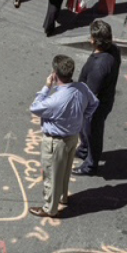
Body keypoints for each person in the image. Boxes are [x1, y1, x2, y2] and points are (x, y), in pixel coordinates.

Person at [28, 55, 98, 218]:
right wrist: (82, 117)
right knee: (65, 170)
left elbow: (35, 107)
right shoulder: (82, 88)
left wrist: (46, 87)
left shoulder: (55, 100)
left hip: (55, 142)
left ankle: (50, 208)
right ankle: (63, 197)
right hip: (72, 137)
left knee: (51, 175)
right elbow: (94, 103)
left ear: (54, 73)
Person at [73, 20, 121, 176]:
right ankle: (84, 149)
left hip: (94, 108)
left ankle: (90, 165)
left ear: (95, 40)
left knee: (92, 132)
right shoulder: (113, 50)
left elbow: (90, 93)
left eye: (91, 37)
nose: (89, 39)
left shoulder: (98, 67)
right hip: (104, 100)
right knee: (84, 130)